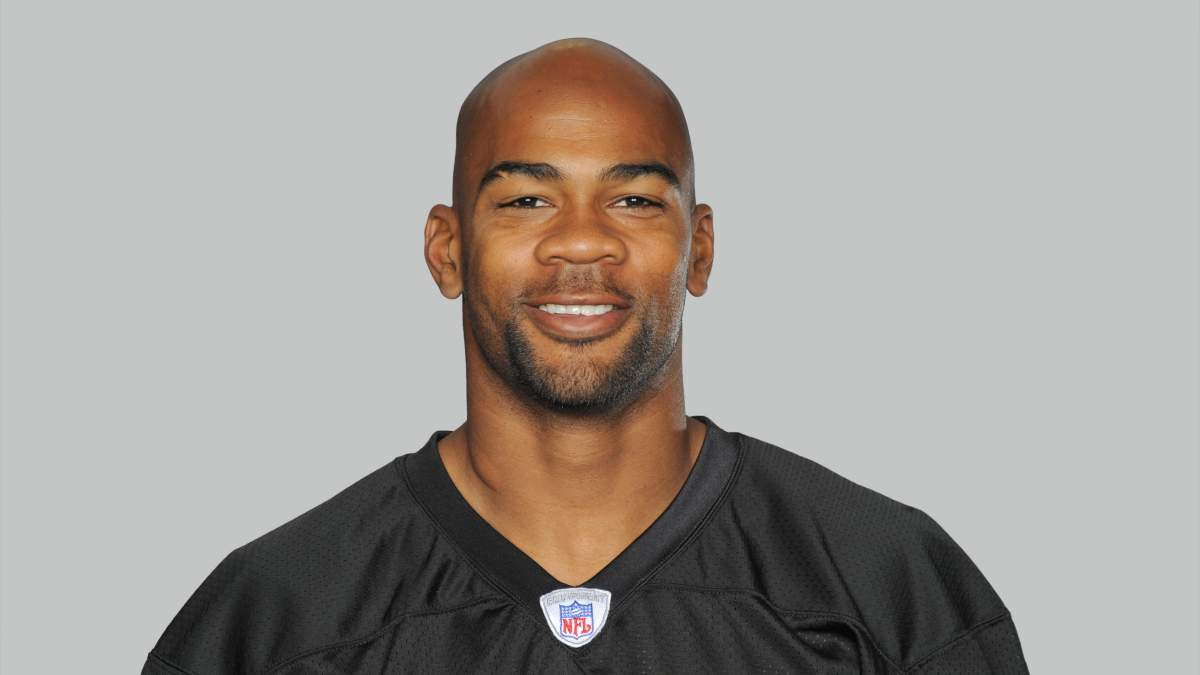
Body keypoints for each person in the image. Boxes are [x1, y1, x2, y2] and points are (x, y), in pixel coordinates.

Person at [141, 37, 1029, 674]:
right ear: (447, 250)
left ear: (700, 249)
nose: (580, 241)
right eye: (525, 200)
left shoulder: (887, 587)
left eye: (635, 199)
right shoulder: (280, 617)